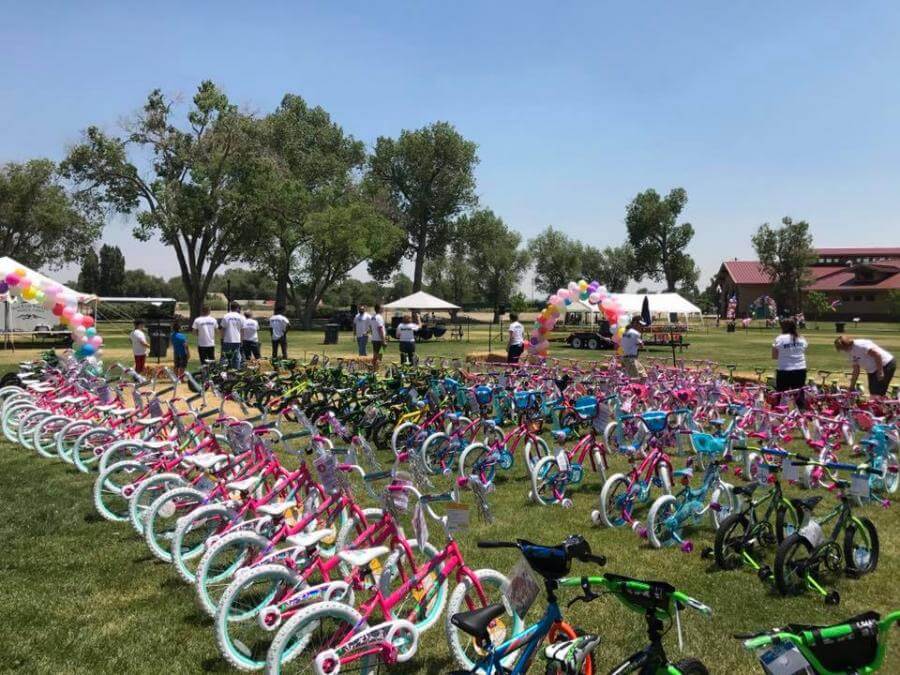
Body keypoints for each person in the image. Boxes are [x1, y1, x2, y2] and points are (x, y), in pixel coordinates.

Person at [771, 318, 808, 408]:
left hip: (785, 369)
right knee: (799, 394)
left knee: (782, 394)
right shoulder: (801, 338)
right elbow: (804, 350)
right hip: (800, 369)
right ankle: (801, 414)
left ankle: (781, 415)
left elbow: (774, 356)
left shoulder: (780, 339)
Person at [220, 301, 245, 369]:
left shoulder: (226, 316)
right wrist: (241, 340)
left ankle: (223, 372)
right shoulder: (241, 317)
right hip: (237, 340)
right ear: (237, 308)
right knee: (236, 357)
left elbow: (222, 329)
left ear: (230, 307)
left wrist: (222, 339)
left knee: (224, 357)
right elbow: (242, 330)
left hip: (227, 339)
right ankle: (236, 372)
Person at [369, 304, 386, 368]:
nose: (383, 309)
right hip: (379, 339)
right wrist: (383, 340)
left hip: (375, 338)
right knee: (379, 355)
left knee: (375, 354)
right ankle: (376, 368)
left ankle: (374, 367)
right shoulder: (379, 317)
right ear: (379, 309)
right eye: (382, 308)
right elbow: (380, 328)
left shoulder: (373, 317)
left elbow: (371, 327)